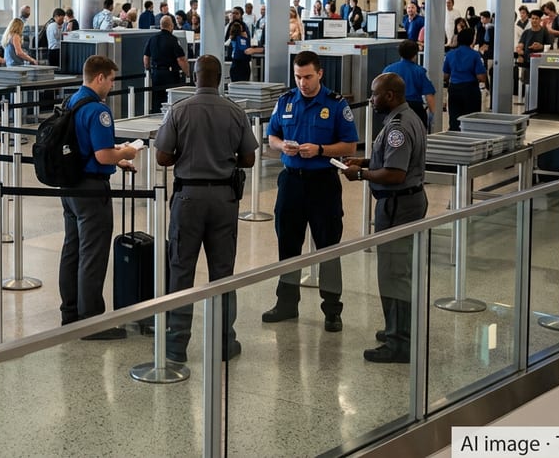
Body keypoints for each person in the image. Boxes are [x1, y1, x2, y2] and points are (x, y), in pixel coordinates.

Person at [157, 55, 255, 363]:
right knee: (223, 272)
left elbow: (162, 156)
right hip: (224, 199)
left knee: (181, 270)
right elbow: (249, 159)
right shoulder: (236, 112)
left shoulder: (179, 110)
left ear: (195, 76)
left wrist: (185, 157)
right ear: (220, 77)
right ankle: (224, 342)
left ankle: (176, 345)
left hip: (188, 199)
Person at [264, 50, 358, 331]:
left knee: (327, 246)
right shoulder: (285, 101)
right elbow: (272, 136)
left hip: (323, 183)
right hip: (291, 181)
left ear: (319, 74)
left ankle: (332, 310)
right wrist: (284, 146)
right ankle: (287, 304)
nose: (302, 82)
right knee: (288, 244)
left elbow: (350, 146)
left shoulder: (336, 104)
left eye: (307, 77)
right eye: (297, 77)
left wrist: (320, 150)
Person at [342, 73, 427, 364]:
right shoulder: (405, 118)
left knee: (394, 274)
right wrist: (365, 161)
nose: (371, 99)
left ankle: (400, 342)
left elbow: (395, 173)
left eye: (374, 94)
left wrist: (360, 174)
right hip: (403, 203)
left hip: (398, 205)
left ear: (390, 96)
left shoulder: (398, 128)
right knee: (397, 271)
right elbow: (389, 159)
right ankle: (397, 326)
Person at [58, 55, 139, 338]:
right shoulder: (98, 111)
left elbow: (85, 147)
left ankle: (70, 314)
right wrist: (125, 153)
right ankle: (91, 321)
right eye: (111, 79)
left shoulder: (71, 102)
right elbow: (102, 153)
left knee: (72, 249)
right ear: (100, 78)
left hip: (69, 187)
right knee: (92, 254)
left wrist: (117, 161)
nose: (112, 85)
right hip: (92, 190)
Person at [382, 39, 436, 129]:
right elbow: (429, 95)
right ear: (415, 55)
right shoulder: (419, 71)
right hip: (415, 109)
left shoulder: (388, 70)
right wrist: (432, 115)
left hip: (394, 107)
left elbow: (381, 90)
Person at [141, 15, 189, 113]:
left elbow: (146, 58)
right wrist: (187, 73)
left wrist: (149, 70)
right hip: (170, 75)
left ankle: (155, 116)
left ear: (161, 25)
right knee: (171, 100)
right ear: (171, 26)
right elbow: (181, 59)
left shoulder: (152, 39)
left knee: (157, 99)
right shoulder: (174, 40)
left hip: (156, 74)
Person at [442, 28, 487, 130]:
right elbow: (481, 77)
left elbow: (445, 76)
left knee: (454, 119)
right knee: (471, 120)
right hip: (470, 90)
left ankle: (454, 140)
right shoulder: (475, 55)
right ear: (471, 40)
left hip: (454, 89)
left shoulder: (450, 54)